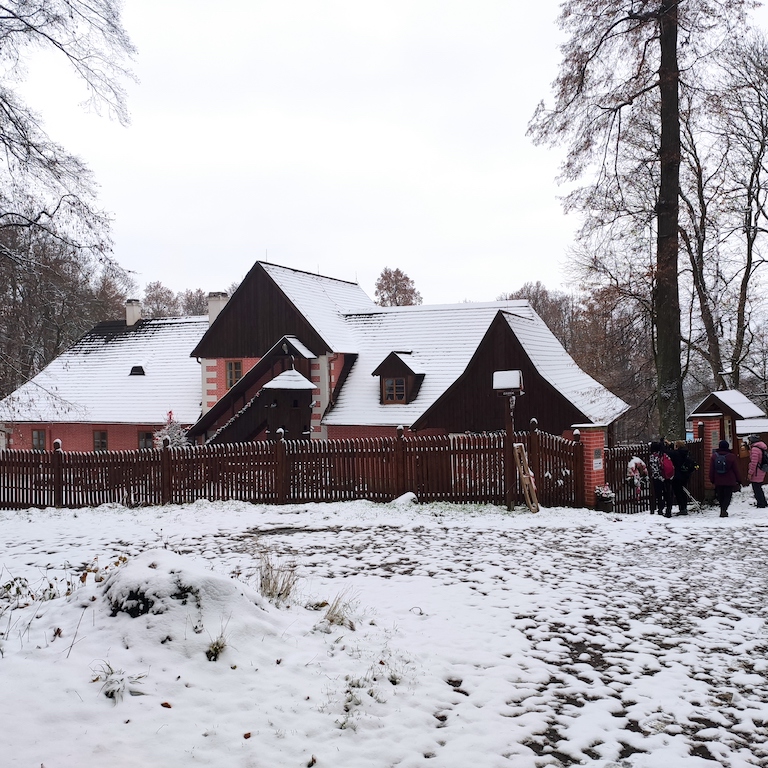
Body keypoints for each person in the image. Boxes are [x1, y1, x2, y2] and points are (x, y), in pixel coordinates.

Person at [709, 439, 742, 518]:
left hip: (718, 480)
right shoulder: (731, 457)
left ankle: (722, 508)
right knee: (727, 496)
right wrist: (739, 480)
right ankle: (724, 509)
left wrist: (712, 479)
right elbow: (736, 469)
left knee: (720, 495)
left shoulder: (714, 456)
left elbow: (711, 469)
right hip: (729, 480)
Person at [670, 440, 697, 516]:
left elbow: (669, 453)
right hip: (685, 475)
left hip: (677, 475)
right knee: (683, 492)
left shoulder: (677, 454)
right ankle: (684, 507)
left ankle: (682, 508)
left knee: (678, 492)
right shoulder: (686, 452)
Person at [648, 441, 673, 516]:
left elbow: (654, 469)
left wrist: (659, 477)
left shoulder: (653, 457)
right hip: (667, 477)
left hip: (658, 478)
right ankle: (668, 509)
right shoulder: (664, 455)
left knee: (659, 495)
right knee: (667, 494)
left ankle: (660, 509)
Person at [746, 433, 768, 509]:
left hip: (756, 471)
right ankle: (763, 502)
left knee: (756, 488)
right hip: (761, 470)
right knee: (758, 487)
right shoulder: (760, 447)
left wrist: (750, 473)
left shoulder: (755, 449)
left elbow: (754, 462)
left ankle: (761, 503)